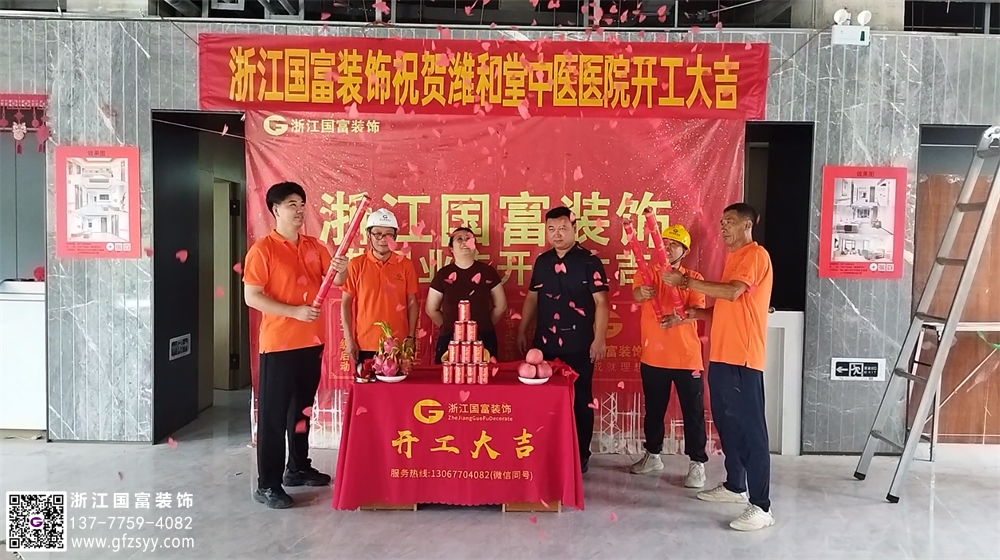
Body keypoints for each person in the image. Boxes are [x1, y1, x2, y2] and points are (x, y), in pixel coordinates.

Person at [662, 202, 775, 532]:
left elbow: (733, 292)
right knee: (727, 426)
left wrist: (686, 283)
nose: (723, 227)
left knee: (751, 432)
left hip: (743, 358)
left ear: (747, 225)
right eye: (722, 222)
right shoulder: (733, 259)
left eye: (730, 222)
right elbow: (728, 306)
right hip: (722, 356)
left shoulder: (755, 255)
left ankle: (762, 506)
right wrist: (695, 314)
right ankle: (735, 485)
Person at [243, 181, 345, 509]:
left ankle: (298, 467)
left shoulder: (315, 246)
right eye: (291, 205)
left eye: (301, 204)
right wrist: (294, 312)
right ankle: (267, 484)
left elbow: (337, 281)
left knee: (302, 410)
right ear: (275, 210)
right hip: (279, 346)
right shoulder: (263, 250)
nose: (299, 210)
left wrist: (341, 270)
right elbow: (251, 296)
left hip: (312, 342)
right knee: (273, 417)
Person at [516, 206, 609, 474]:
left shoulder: (589, 261)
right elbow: (532, 298)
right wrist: (522, 330)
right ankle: (546, 452)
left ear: (574, 229)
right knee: (544, 399)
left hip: (579, 344)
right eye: (551, 229)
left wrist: (599, 339)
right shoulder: (542, 261)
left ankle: (581, 455)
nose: (557, 234)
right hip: (544, 345)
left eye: (563, 228)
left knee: (580, 400)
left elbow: (602, 303)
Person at [629, 224, 709, 489]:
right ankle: (653, 455)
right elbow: (636, 293)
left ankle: (697, 463)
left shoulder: (693, 278)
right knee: (654, 411)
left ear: (685, 250)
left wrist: (678, 318)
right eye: (665, 243)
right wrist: (643, 292)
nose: (668, 247)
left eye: (675, 244)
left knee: (693, 413)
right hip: (653, 357)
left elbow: (697, 310)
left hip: (687, 359)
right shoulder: (648, 273)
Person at [334, 208, 419, 372]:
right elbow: (345, 304)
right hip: (365, 343)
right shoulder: (356, 265)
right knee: (367, 387)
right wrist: (349, 339)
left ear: (395, 237)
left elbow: (412, 303)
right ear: (369, 235)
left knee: (399, 388)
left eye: (388, 234)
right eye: (377, 234)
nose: (383, 239)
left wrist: (410, 337)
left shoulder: (405, 265)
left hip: (397, 344)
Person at [426, 227, 507, 363]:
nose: (464, 242)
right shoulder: (443, 274)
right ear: (451, 248)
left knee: (484, 375)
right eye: (459, 239)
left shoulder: (488, 272)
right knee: (449, 375)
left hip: (483, 338)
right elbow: (431, 309)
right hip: (451, 339)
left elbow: (501, 305)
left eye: (468, 239)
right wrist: (449, 326)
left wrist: (484, 324)